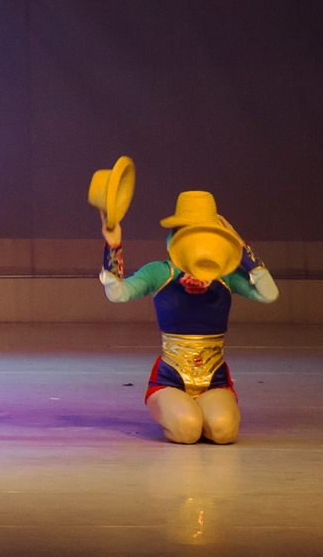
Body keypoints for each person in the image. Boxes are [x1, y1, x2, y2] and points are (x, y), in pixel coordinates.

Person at [101, 190, 279, 444]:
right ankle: (180, 412)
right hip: (170, 378)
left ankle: (198, 412)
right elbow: (117, 293)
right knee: (188, 430)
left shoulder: (225, 275)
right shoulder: (160, 272)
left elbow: (269, 294)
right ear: (178, 235)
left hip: (214, 378)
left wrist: (241, 248)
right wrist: (113, 245)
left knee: (223, 432)